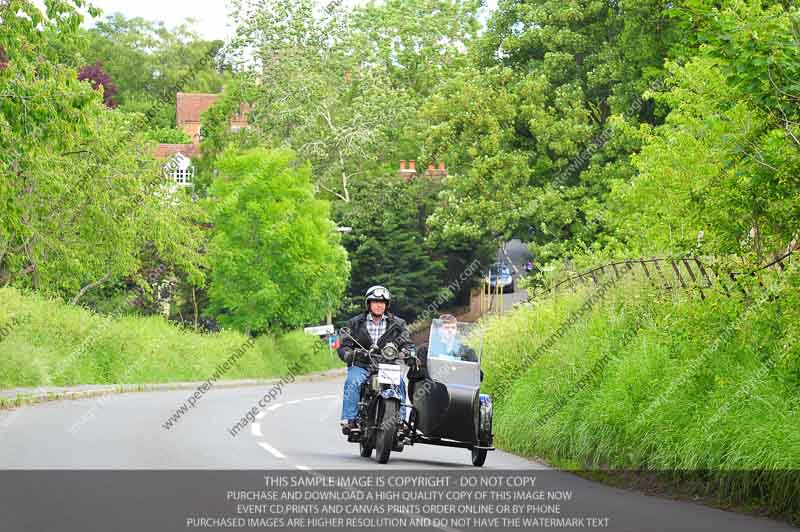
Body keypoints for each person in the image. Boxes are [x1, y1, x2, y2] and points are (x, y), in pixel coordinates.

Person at [337, 285, 414, 434]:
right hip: (362, 364)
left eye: (382, 302)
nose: (379, 305)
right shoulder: (355, 323)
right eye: (375, 302)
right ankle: (350, 419)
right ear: (368, 304)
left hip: (387, 366)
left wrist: (408, 353)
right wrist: (348, 354)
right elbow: (344, 344)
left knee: (400, 383)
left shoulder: (398, 324)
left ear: (387, 305)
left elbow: (407, 343)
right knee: (353, 381)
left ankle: (399, 421)